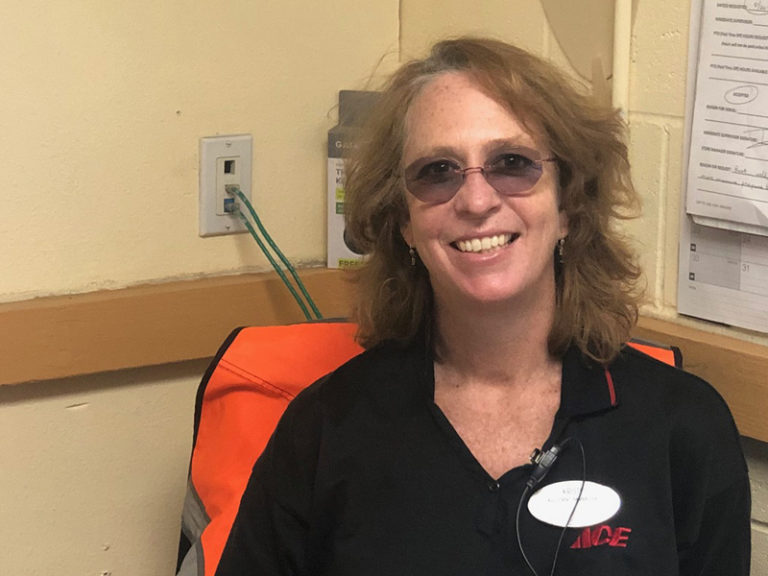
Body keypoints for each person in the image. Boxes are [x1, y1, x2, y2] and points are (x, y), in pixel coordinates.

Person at [215, 37, 750, 575]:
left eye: (512, 163)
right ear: (404, 223)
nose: (475, 201)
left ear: (568, 206)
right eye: (437, 171)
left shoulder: (682, 428)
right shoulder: (323, 431)